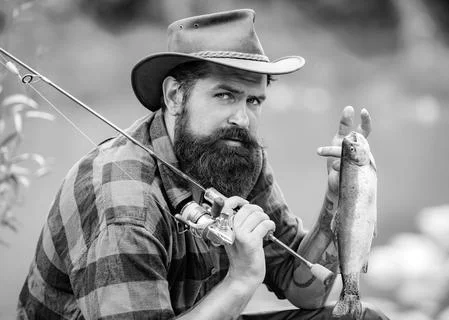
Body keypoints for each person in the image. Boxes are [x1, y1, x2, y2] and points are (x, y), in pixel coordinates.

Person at [17, 9, 389, 320]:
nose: (242, 119)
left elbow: (304, 290)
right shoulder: (124, 205)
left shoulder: (237, 156)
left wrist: (337, 203)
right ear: (175, 95)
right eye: (225, 95)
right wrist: (242, 280)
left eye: (254, 101)